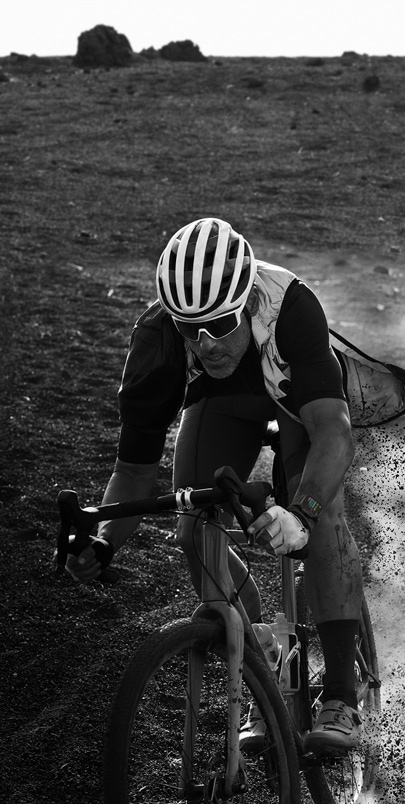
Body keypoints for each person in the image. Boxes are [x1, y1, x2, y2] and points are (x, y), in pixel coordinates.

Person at [67, 217, 363, 756]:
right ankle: (261, 658)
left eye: (221, 323)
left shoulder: (291, 307)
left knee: (320, 512)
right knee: (193, 528)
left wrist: (303, 512)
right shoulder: (158, 339)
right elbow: (133, 472)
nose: (205, 345)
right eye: (189, 328)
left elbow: (332, 432)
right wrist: (105, 541)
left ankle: (342, 691)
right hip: (224, 404)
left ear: (247, 301)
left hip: (295, 400)